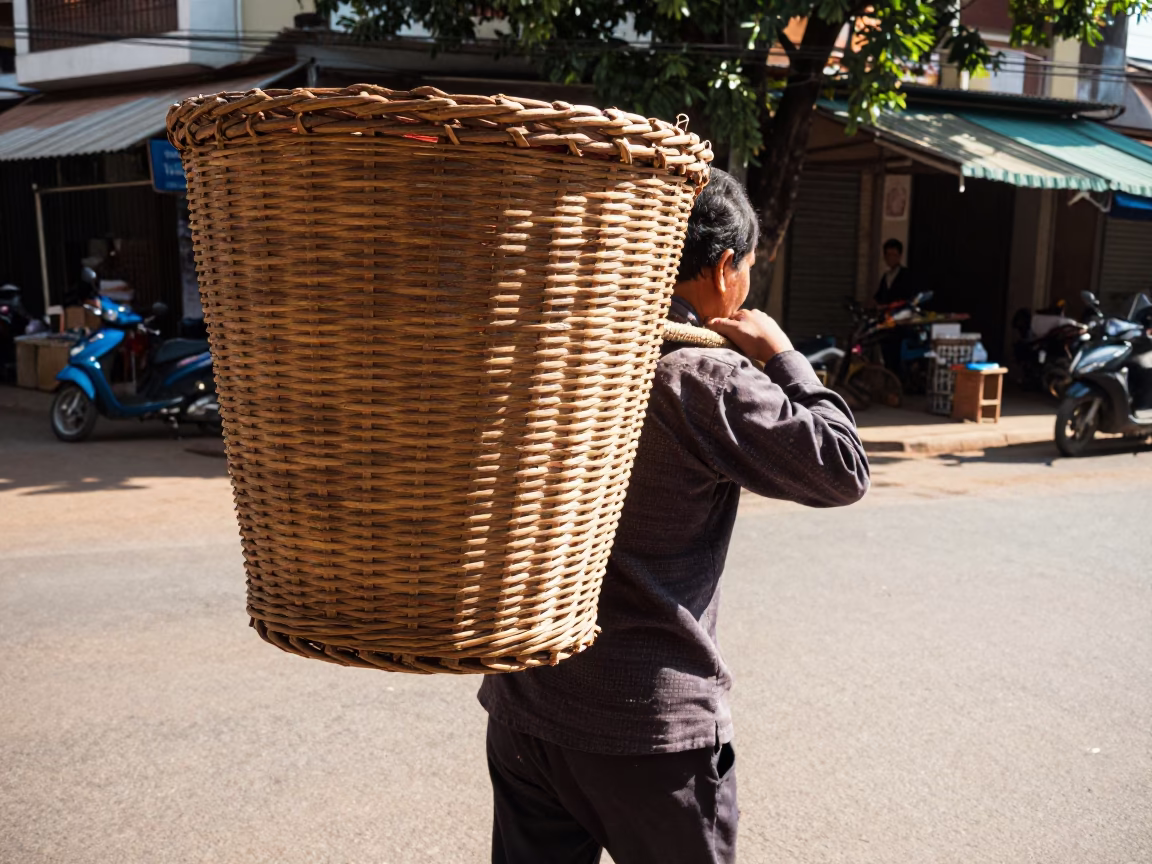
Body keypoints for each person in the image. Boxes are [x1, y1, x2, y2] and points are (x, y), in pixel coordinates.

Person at [477, 169, 870, 864]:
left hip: (527, 709)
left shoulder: (558, 349)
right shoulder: (703, 377)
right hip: (647, 737)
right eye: (747, 268)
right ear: (724, 269)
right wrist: (782, 356)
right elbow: (841, 467)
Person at [874, 237, 915, 306]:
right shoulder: (886, 276)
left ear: (899, 256)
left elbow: (908, 298)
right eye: (888, 255)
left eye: (894, 255)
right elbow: (878, 297)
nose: (891, 258)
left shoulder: (907, 275)